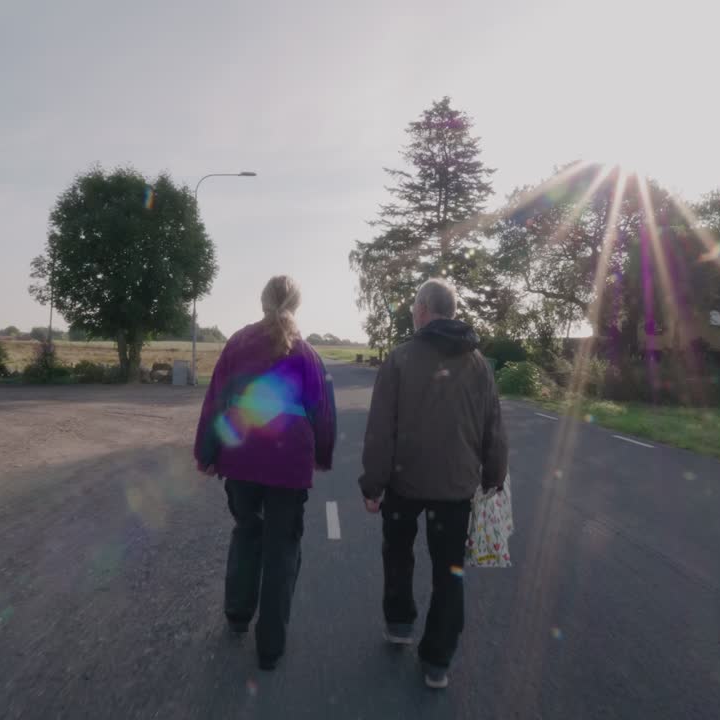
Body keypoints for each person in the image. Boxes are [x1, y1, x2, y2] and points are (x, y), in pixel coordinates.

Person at [358, 277, 508, 690]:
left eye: (412, 309)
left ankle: (400, 622)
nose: (411, 314)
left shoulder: (401, 358)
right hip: (457, 487)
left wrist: (373, 486)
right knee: (450, 572)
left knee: (398, 552)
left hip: (404, 483)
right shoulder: (479, 364)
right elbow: (493, 426)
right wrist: (494, 475)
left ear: (424, 310)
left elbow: (380, 430)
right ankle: (437, 660)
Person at [194, 275, 336, 671]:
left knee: (247, 532)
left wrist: (206, 453)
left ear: (261, 302)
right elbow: (322, 412)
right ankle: (270, 647)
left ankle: (238, 615)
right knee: (282, 548)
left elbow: (216, 401)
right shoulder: (306, 354)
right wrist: (323, 453)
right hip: (288, 464)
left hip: (241, 460)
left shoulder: (238, 344)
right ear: (297, 305)